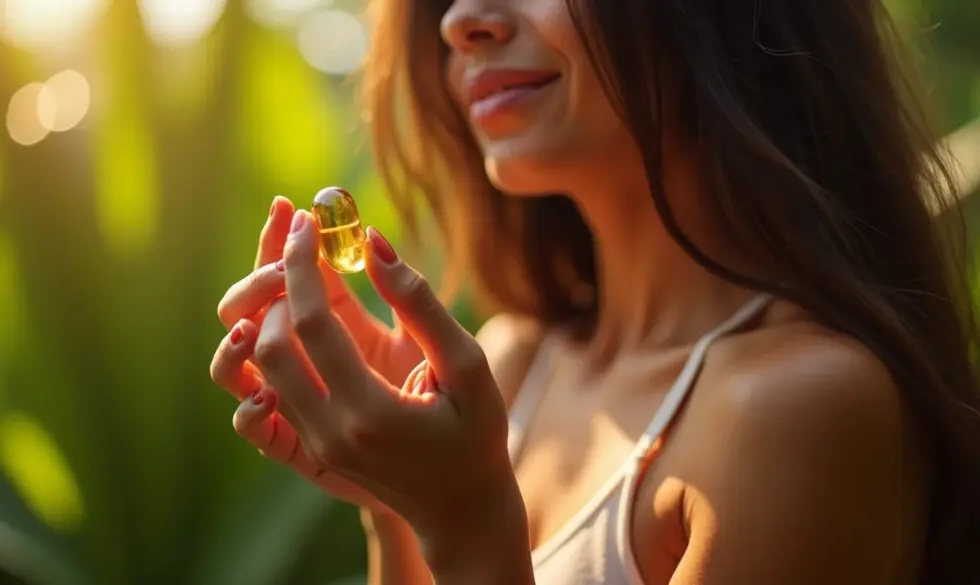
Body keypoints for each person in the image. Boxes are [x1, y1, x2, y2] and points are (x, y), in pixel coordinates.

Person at [209, 0, 980, 583]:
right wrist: (396, 510)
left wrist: (469, 526)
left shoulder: (798, 407)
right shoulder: (511, 363)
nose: (459, 22)